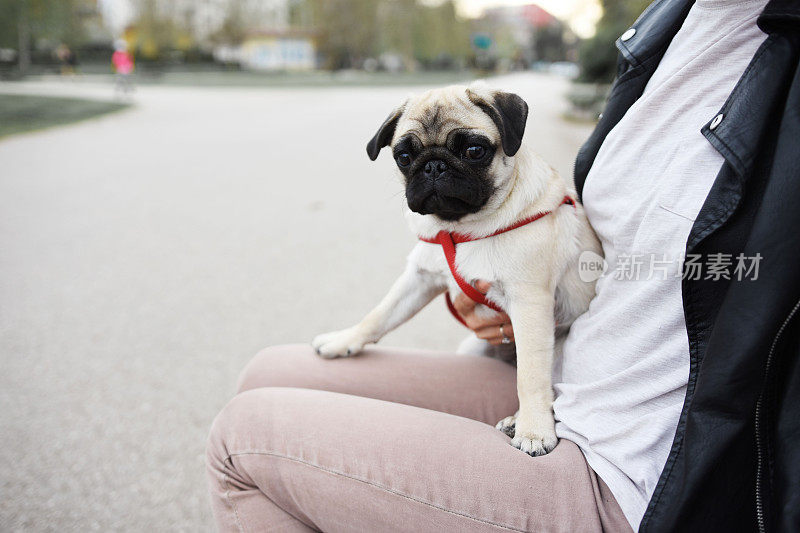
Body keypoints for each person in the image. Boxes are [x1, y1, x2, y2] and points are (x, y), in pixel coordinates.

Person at [206, 0, 800, 530]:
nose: (435, 169)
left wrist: (532, 301)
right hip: (560, 370)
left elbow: (737, 272)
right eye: (412, 157)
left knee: (240, 439)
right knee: (266, 371)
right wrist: (491, 296)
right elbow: (602, 257)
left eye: (468, 150)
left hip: (626, 456)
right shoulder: (668, 24)